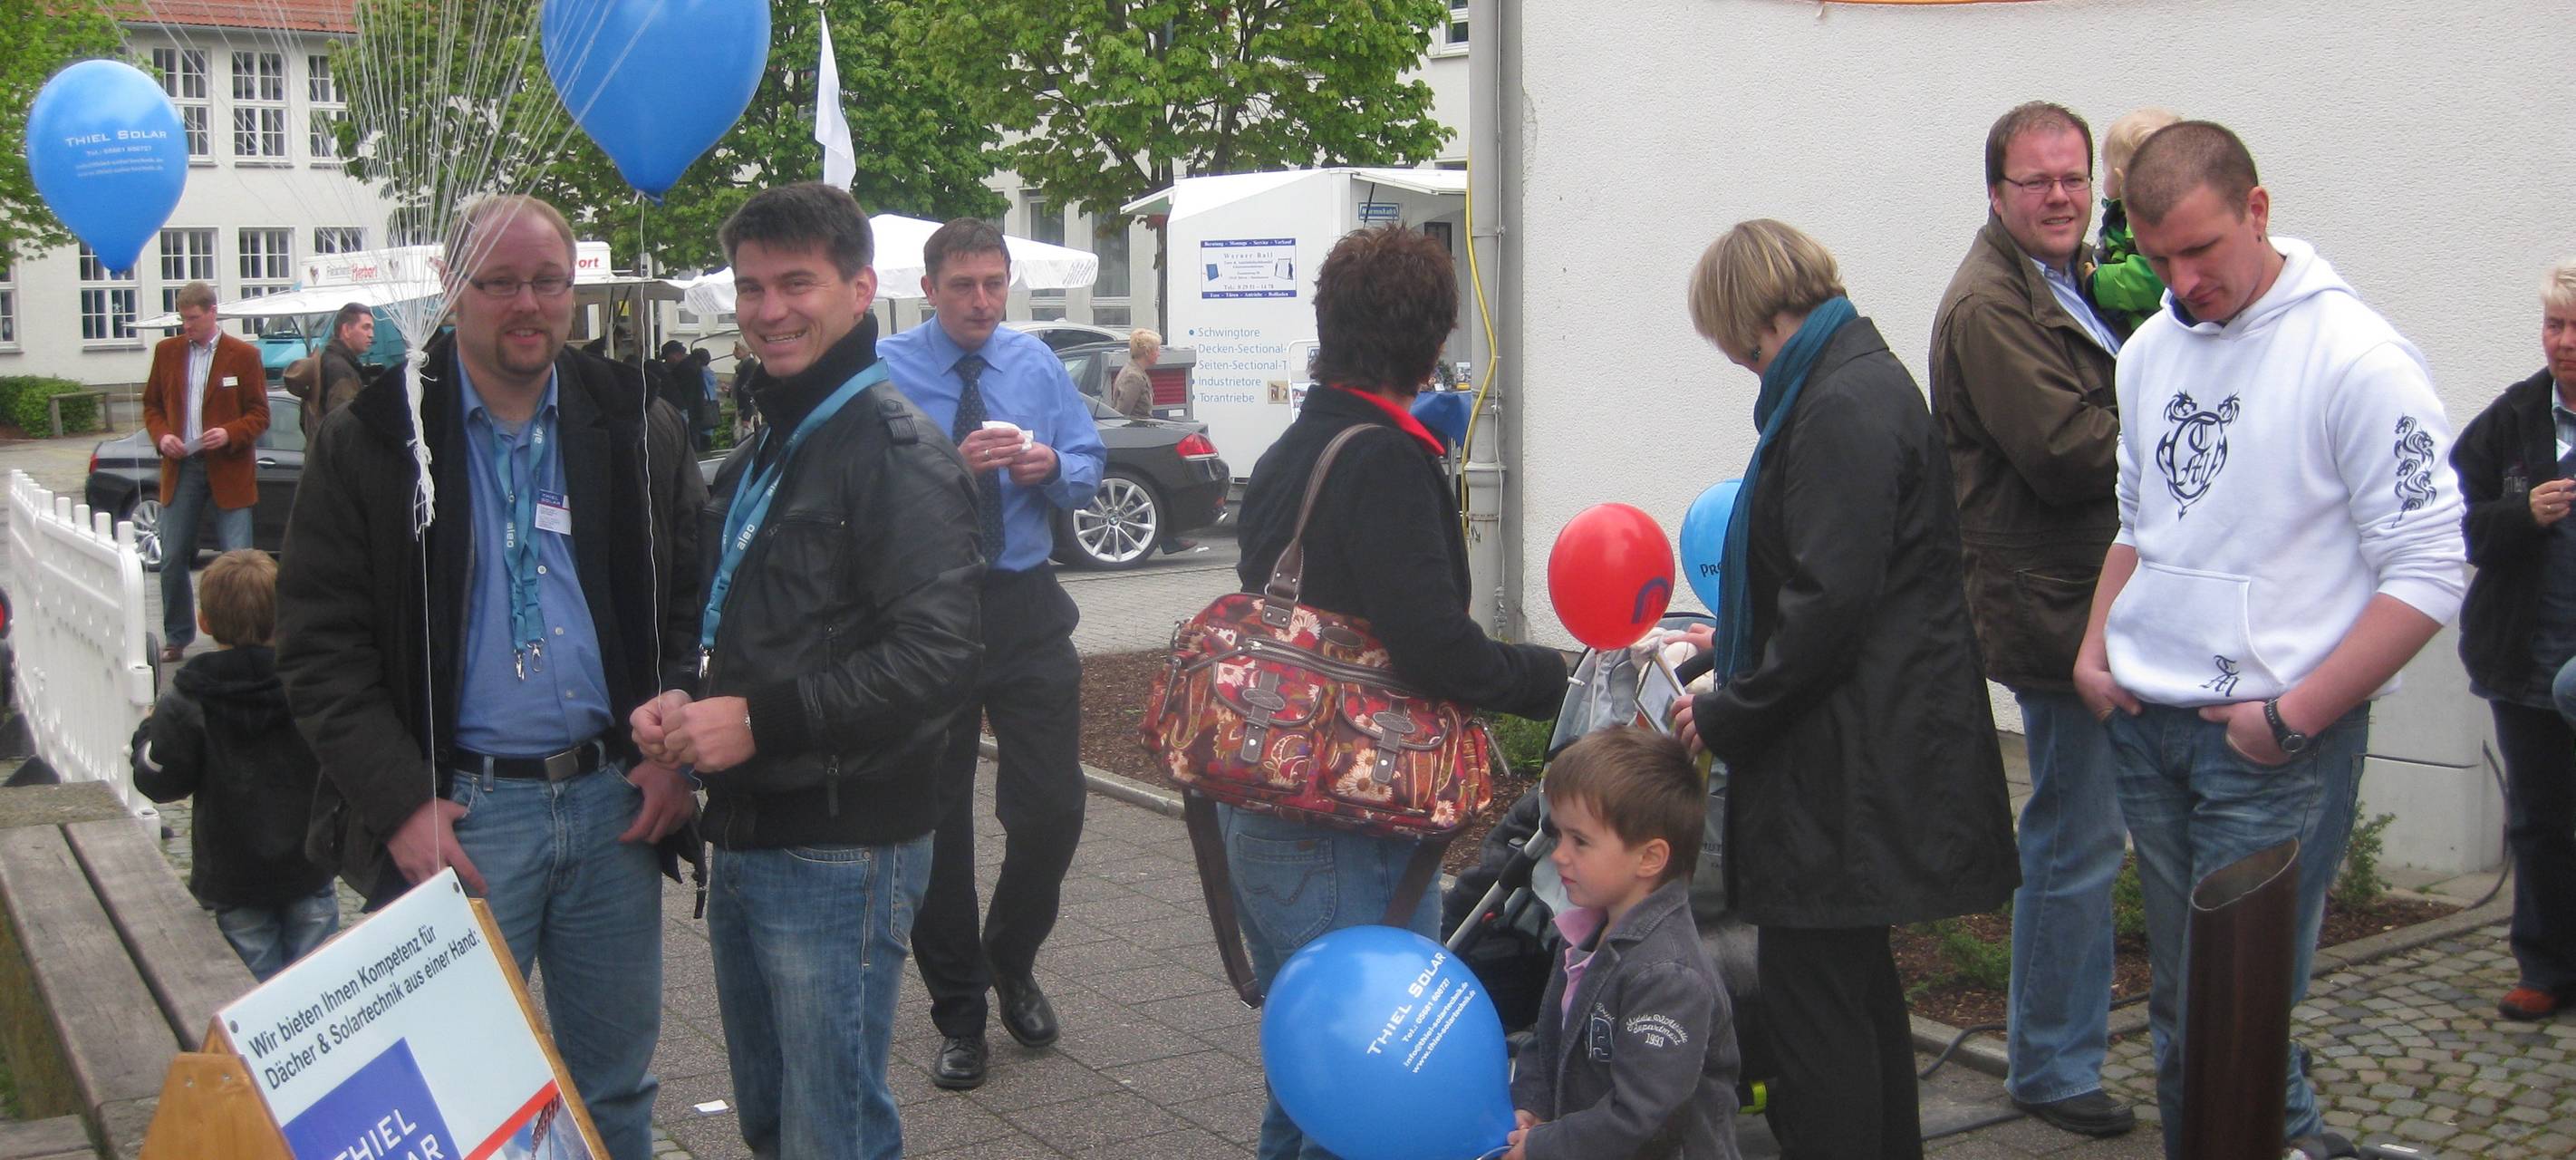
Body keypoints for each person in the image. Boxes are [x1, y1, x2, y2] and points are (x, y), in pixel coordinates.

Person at [277, 195, 706, 1160]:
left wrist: (674, 752)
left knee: (615, 1089)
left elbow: (692, 598)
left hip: (614, 803)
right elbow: (318, 647)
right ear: (449, 287)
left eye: (547, 282)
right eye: (499, 282)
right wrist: (398, 801)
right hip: (461, 818)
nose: (527, 304)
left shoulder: (633, 421)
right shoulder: (375, 438)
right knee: (456, 1101)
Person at [2071, 121, 2466, 1160]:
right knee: (2182, 1005)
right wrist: (2092, 645)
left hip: (2270, 745)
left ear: (2256, 210)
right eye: (2157, 257)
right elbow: (2140, 518)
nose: (2181, 280)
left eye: (2200, 249)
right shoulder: (2148, 352)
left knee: (2233, 1012)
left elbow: (2430, 569)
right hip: (2147, 722)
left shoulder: (2355, 356)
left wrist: (2289, 716)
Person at [630, 183, 983, 1160]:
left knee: (830, 1131)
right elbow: (756, 622)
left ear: (860, 290)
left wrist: (762, 720)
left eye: (797, 283)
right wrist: (689, 698)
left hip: (842, 844)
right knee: (774, 1122)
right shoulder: (768, 446)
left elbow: (940, 658)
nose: (769, 309)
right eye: (751, 288)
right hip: (752, 825)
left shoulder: (895, 452)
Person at [1670, 219, 2018, 1160]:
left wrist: (1729, 710)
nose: (1737, 362)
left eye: (1733, 345)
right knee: (1855, 991)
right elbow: (1837, 575)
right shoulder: (1851, 375)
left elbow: (1831, 603)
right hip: (1859, 757)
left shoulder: (1837, 402)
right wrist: (1731, 640)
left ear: (1750, 318)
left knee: (1814, 1010)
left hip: (1842, 774)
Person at [1231, 224, 1568, 1160]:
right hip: (1343, 818)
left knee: (1310, 1081)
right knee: (1367, 1096)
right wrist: (1556, 677)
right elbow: (1433, 649)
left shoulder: (1297, 448)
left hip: (1266, 799)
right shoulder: (1383, 459)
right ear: (1433, 340)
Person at [1927, 101, 2135, 1139]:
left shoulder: (2075, 276)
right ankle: (2050, 1062)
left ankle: (2088, 1043)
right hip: (2054, 607)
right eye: (2036, 181)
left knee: (2103, 830)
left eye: (2072, 177)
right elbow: (2061, 449)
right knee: (2075, 837)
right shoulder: (1987, 303)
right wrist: (2196, 418)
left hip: (2103, 593)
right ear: (1995, 193)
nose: (2059, 196)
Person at [878, 217, 1106, 1091]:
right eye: (963, 285)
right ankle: (960, 1013)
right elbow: (866, 489)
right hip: (928, 612)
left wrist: (1051, 465)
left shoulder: (1034, 363)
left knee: (1052, 808)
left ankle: (1010, 954)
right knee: (936, 823)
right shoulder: (885, 370)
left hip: (1023, 605)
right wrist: (951, 464)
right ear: (928, 289)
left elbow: (1087, 458)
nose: (981, 301)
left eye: (994, 283)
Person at [1505, 728, 1740, 1160]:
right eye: (1559, 836)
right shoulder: (1586, 932)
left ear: (1649, 858)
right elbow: (1551, 1037)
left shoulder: (1668, 977)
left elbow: (1643, 1117)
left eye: (1580, 841)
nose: (1559, 855)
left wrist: (1546, 1147)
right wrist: (1533, 1105)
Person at [2448, 258, 2576, 1023]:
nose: (2564, 342)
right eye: (2554, 325)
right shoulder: (2511, 419)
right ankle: (2545, 967)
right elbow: (2454, 524)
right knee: (2538, 819)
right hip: (2527, 657)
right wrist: (2522, 514)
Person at [130, 549, 336, 981]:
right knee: (319, 984)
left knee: (250, 988)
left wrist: (146, 735)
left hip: (234, 876)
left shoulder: (190, 698)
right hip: (309, 865)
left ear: (203, 622)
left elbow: (162, 780)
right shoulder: (309, 685)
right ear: (283, 618)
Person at [142, 282, 268, 663]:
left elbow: (260, 415)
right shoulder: (167, 352)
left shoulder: (243, 355)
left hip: (228, 468)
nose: (187, 326)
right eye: (183, 319)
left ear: (213, 312)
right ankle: (177, 636)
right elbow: (151, 406)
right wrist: (162, 436)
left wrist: (230, 432)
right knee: (172, 556)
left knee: (238, 560)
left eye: (193, 319)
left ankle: (241, 641)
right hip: (181, 466)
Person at [2085, 108, 2182, 332]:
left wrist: (2098, 283)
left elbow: (2150, 277)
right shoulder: (2127, 215)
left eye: (2105, 170)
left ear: (2123, 180)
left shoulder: (2145, 220)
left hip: (2155, 330)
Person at [1110, 327, 1158, 420]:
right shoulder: (1133, 377)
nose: (1159, 354)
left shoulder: (1136, 371)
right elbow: (1122, 415)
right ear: (1147, 352)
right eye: (1156, 349)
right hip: (1137, 427)